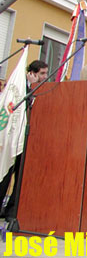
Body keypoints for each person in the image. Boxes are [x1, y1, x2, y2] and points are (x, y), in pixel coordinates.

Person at [0, 60, 49, 219]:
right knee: (5, 174)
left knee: (21, 177)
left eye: (45, 73)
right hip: (14, 138)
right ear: (32, 73)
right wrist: (29, 85)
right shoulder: (21, 88)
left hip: (30, 140)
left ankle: (12, 210)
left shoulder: (46, 90)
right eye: (41, 73)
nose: (45, 77)